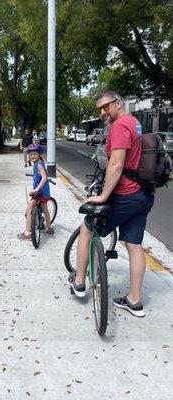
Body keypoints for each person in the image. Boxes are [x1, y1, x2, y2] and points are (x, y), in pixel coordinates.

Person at [68, 90, 154, 318]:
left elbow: (116, 165)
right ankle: (134, 301)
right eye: (99, 109)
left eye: (106, 107)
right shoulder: (135, 123)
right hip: (143, 195)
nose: (102, 112)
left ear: (118, 103)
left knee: (87, 227)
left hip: (125, 195)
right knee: (134, 245)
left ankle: (78, 282)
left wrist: (104, 195)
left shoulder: (119, 125)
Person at [17, 143, 55, 240]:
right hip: (44, 192)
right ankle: (48, 227)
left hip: (39, 192)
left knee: (29, 209)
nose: (33, 156)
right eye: (31, 154)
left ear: (39, 155)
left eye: (35, 154)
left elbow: (45, 177)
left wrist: (36, 189)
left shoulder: (38, 165)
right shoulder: (38, 164)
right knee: (44, 208)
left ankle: (27, 233)